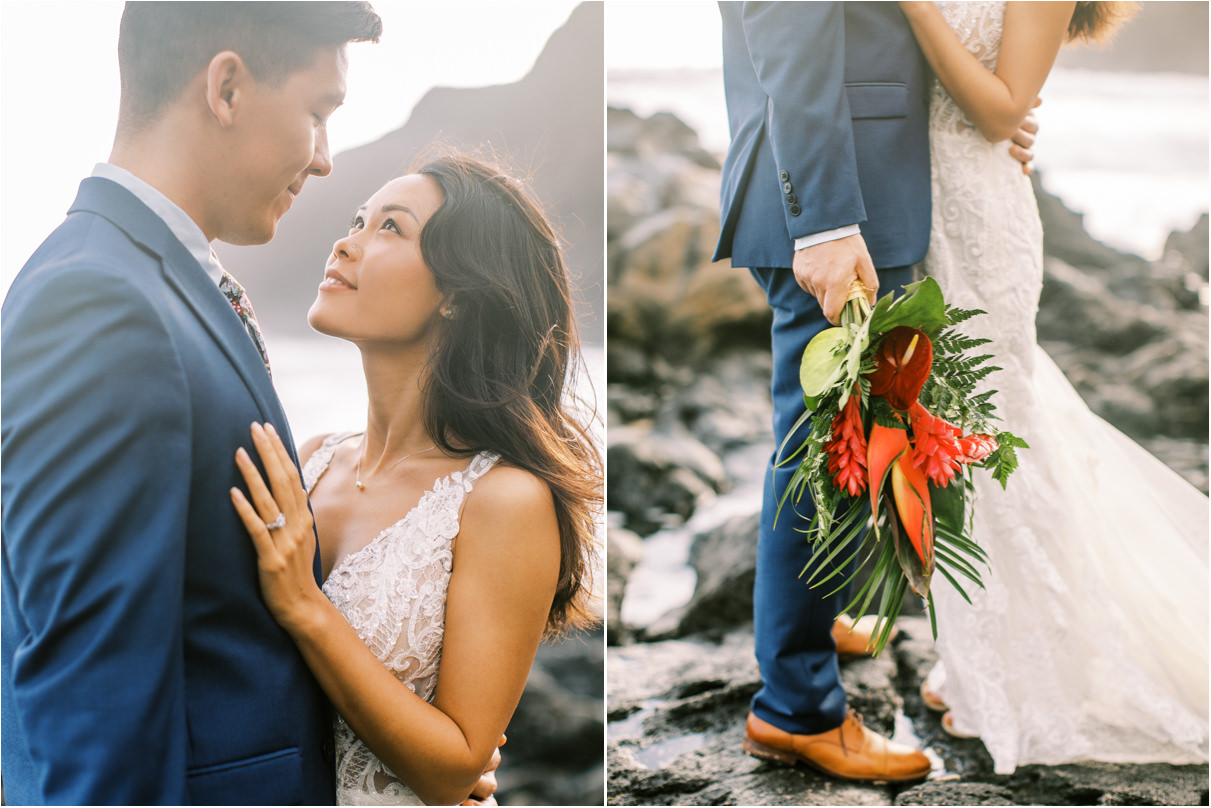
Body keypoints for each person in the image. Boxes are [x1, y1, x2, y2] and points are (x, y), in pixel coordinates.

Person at [1, 4, 482, 804]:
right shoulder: (101, 304)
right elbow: (91, 690)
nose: (326, 159)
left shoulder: (143, 283)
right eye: (318, 112)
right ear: (226, 88)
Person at [713, 1, 1036, 783]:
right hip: (836, 200)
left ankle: (828, 630)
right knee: (821, 447)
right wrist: (823, 222)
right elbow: (785, 23)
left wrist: (985, 105)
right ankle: (796, 710)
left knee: (861, 429)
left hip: (869, 182)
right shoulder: (828, 216)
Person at [229, 153, 602, 805]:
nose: (346, 243)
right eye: (356, 220)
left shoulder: (504, 499)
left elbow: (454, 768)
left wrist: (305, 607)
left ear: (457, 293)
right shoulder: (311, 461)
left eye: (390, 228)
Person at [898, 0, 1209, 773]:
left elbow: (1002, 110)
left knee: (994, 426)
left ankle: (1035, 667)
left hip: (977, 211)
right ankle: (986, 654)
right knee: (955, 431)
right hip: (923, 201)